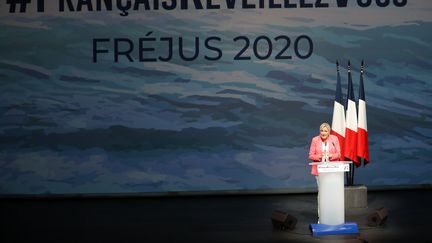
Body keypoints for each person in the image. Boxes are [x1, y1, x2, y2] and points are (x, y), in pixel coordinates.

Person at [308, 122, 341, 223]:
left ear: (329, 131)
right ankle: (321, 217)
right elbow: (310, 155)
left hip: (332, 169)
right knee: (322, 193)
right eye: (321, 131)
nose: (323, 133)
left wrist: (331, 155)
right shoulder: (315, 140)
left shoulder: (334, 139)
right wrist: (319, 156)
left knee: (332, 193)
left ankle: (333, 215)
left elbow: (339, 154)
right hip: (319, 170)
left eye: (325, 131)